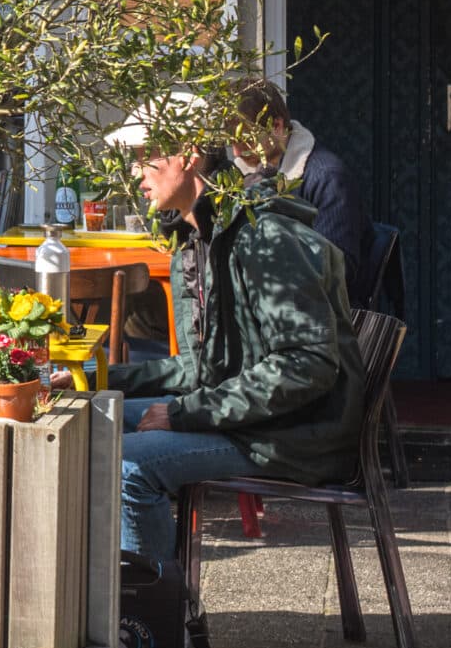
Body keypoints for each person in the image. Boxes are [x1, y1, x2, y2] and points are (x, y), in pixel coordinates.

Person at [108, 126, 363, 570]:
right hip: (251, 419)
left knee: (130, 468)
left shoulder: (264, 236)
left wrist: (184, 413)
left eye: (146, 158)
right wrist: (97, 382)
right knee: (92, 415)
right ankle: (105, 601)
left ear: (188, 156)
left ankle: (152, 621)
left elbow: (307, 364)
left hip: (292, 433)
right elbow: (198, 367)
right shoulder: (197, 236)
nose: (135, 173)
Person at [229, 77, 374, 300]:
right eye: (232, 143)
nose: (237, 152)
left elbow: (339, 270)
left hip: (324, 321)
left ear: (276, 126)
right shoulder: (241, 177)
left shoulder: (326, 177)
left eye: (244, 141)